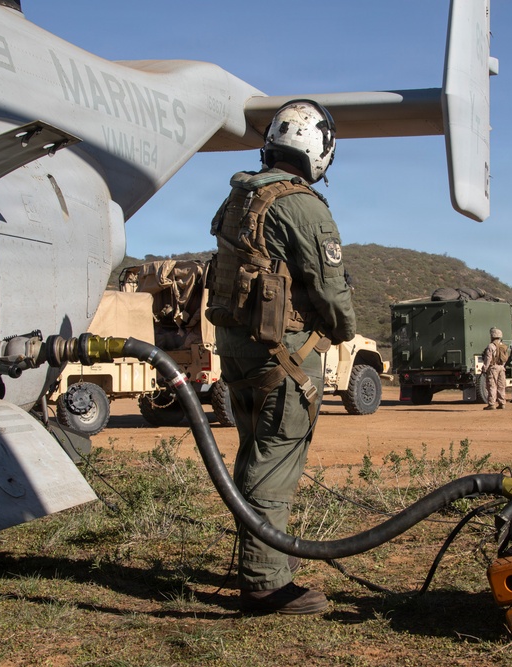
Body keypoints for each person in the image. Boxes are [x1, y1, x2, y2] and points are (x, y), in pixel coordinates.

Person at [206, 100, 356, 615]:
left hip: (239, 356)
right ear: (319, 152)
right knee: (274, 466)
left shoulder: (238, 197)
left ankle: (257, 564)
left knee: (254, 457)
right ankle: (266, 584)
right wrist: (343, 330)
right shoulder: (302, 205)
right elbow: (332, 293)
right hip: (285, 359)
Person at [480, 327, 509, 410]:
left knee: (492, 386)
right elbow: (505, 358)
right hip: (501, 368)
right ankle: (502, 403)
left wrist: (484, 368)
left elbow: (488, 358)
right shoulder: (503, 346)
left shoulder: (491, 346)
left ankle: (492, 404)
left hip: (493, 368)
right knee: (501, 386)